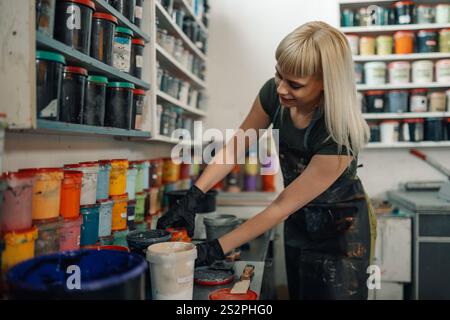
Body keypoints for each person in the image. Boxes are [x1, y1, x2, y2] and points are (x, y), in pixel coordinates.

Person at [157, 21, 377, 300]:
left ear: (326, 83)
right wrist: (193, 196)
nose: (282, 88)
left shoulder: (338, 132)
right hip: (299, 223)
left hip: (341, 235)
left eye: (295, 84)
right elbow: (236, 146)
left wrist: (212, 249)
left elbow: (281, 205)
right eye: (278, 75)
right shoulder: (274, 94)